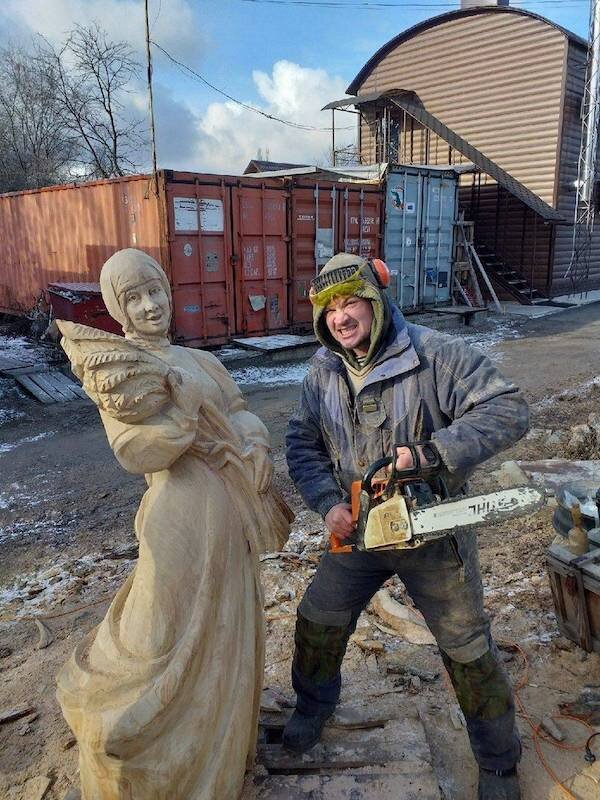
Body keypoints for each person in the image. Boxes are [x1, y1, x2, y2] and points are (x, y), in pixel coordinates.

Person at [284, 253, 529, 800]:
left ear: (375, 300)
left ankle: (497, 762)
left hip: (433, 530)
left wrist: (431, 454)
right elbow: (301, 442)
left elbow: (509, 409)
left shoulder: (434, 354)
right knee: (318, 618)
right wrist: (327, 502)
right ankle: (313, 705)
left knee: (466, 643)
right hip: (358, 530)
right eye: (329, 310)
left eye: (351, 302)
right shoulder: (323, 371)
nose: (340, 318)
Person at [56, 248, 292, 800]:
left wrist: (256, 443)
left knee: (228, 628)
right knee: (159, 637)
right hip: (178, 520)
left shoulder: (201, 361)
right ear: (118, 309)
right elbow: (134, 451)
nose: (149, 305)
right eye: (133, 298)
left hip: (230, 515)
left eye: (154, 291)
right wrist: (184, 417)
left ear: (168, 290)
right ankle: (151, 750)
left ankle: (219, 752)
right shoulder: (123, 370)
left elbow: (238, 410)